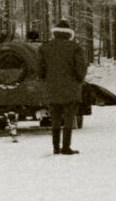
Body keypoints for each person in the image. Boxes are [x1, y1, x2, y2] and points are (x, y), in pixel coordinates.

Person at [38, 19, 88, 155]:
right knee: (68, 119)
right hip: (71, 90)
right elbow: (81, 68)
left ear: (55, 33)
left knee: (54, 120)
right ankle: (66, 147)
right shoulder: (75, 47)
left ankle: (55, 147)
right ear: (69, 33)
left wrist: (46, 80)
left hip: (52, 89)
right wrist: (79, 80)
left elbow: (40, 70)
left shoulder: (45, 47)